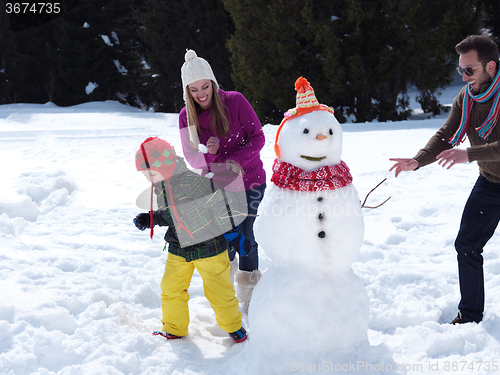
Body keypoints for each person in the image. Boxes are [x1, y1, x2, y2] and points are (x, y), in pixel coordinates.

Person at [390, 34, 500, 325]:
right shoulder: (468, 98)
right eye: (460, 70)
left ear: (490, 67)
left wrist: (470, 154)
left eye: (469, 70)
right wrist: (418, 160)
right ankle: (470, 316)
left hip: (488, 170)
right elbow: (446, 135)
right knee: (467, 245)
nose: (464, 77)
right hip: (491, 183)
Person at [133, 136, 247, 343]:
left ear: (165, 167)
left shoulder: (191, 181)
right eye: (144, 175)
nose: (148, 179)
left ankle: (234, 327)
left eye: (150, 173)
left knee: (219, 291)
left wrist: (227, 228)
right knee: (171, 288)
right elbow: (172, 214)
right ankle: (174, 327)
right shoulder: (161, 185)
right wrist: (153, 218)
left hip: (209, 247)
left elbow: (222, 203)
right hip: (179, 247)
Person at [178, 49, 267, 313]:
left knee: (247, 235)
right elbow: (191, 158)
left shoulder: (235, 101)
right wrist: (212, 154)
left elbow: (258, 137)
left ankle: (250, 298)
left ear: (213, 83)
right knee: (223, 240)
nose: (201, 94)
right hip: (217, 187)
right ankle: (225, 296)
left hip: (250, 180)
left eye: (205, 86)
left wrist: (235, 160)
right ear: (187, 91)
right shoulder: (187, 116)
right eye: (193, 90)